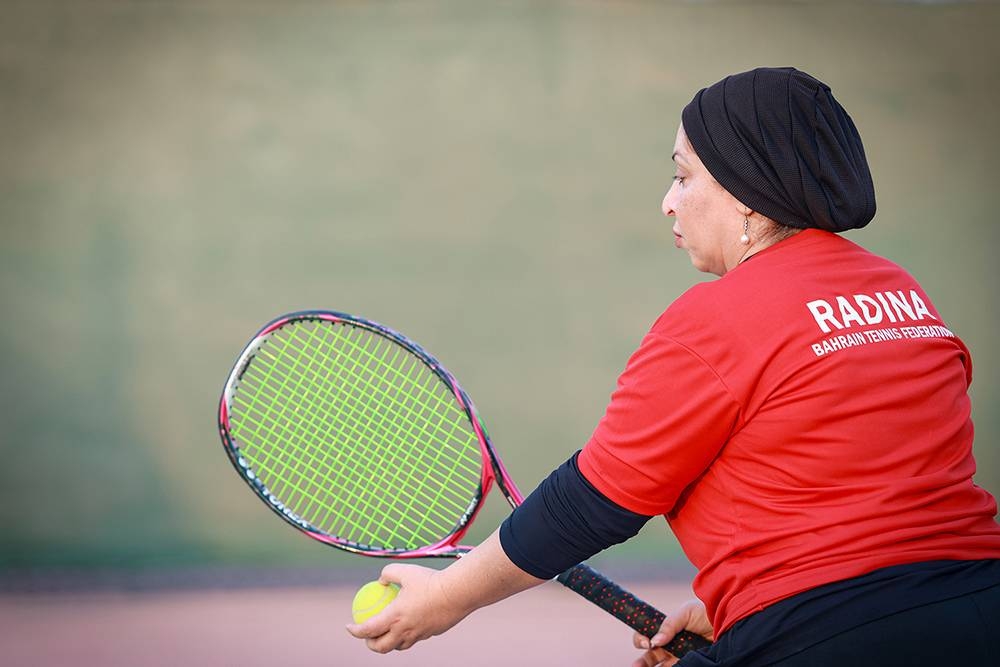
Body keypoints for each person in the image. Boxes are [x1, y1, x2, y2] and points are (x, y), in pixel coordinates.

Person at [346, 67, 1000, 665]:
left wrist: (443, 600)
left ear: (747, 193)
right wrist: (735, 610)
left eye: (683, 176)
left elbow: (589, 503)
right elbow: (874, 493)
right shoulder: (901, 293)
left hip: (827, 636)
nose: (668, 201)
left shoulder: (717, 319)